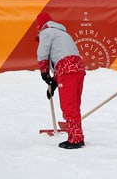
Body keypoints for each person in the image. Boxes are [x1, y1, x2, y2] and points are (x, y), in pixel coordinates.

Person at [36, 12, 86, 149]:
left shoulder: (46, 32)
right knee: (74, 105)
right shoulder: (63, 33)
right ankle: (77, 135)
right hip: (78, 69)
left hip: (67, 71)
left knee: (68, 106)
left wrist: (44, 73)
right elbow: (64, 55)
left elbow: (43, 53)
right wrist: (55, 82)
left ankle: (75, 139)